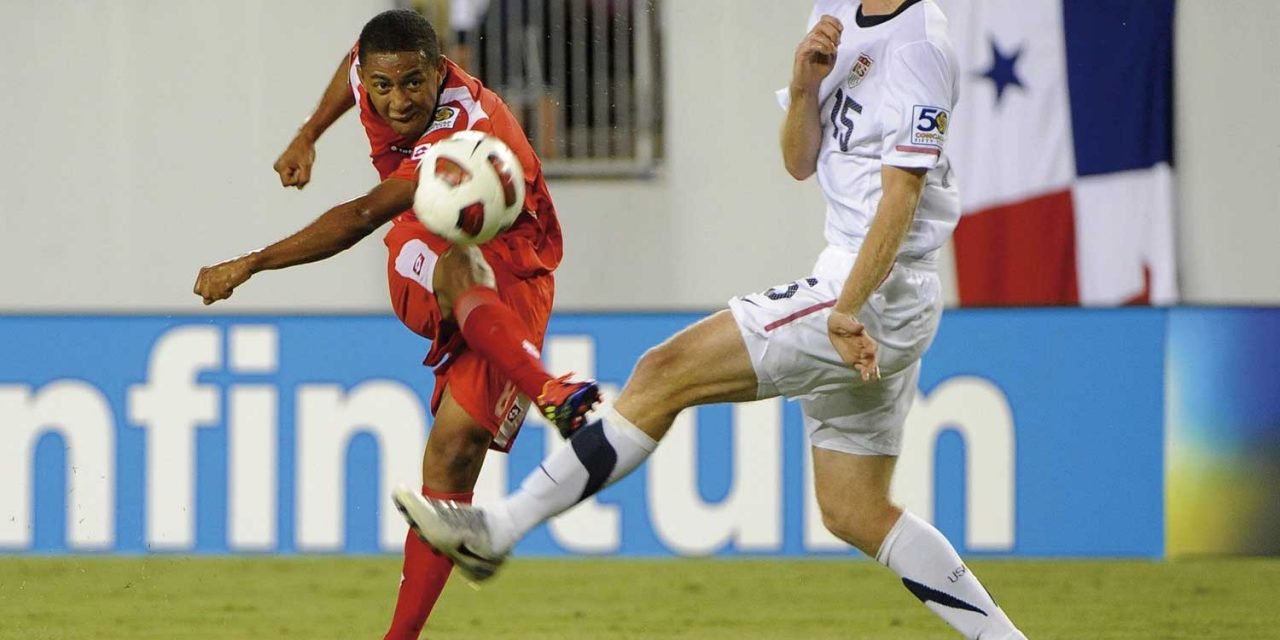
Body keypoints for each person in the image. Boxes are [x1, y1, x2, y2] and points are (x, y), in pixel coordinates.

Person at [394, 1, 1028, 638]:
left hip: (875, 290)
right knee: (853, 509)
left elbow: (903, 195)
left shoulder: (921, 44)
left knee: (665, 372)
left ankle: (497, 531)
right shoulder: (836, 12)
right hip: (860, 281)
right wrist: (806, 86)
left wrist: (846, 306)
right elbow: (799, 161)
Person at [191, 9, 600, 639]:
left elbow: (358, 216)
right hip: (433, 243)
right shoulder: (375, 65)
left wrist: (250, 263)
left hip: (519, 274)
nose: (397, 100)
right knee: (455, 261)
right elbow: (354, 64)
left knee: (451, 461)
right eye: (384, 86)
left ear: (439, 70)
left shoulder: (458, 125)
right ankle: (553, 390)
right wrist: (309, 133)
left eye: (413, 83)